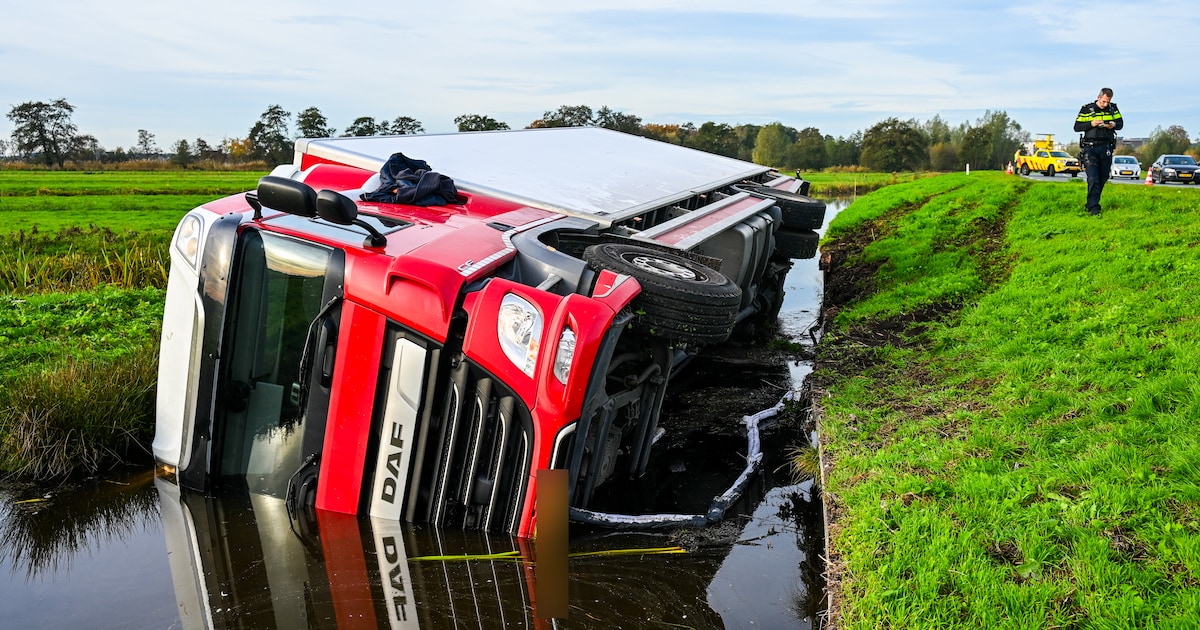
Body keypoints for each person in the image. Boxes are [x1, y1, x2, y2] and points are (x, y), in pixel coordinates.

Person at [1074, 87, 1123, 216]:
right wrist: (1092, 124)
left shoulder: (1113, 108)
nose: (1105, 104)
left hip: (1106, 147)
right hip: (1090, 147)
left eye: (1108, 102)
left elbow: (1120, 124)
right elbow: (1077, 127)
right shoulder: (1086, 109)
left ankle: (1092, 203)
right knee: (1093, 177)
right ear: (1099, 97)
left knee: (1103, 177)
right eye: (1104, 102)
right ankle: (1093, 207)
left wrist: (1113, 124)